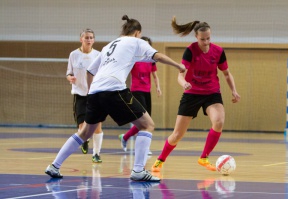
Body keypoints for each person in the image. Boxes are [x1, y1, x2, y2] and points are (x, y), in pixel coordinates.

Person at [45, 14, 185, 182]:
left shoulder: (109, 45)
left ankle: (54, 165)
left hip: (96, 91)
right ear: (137, 33)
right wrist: (178, 65)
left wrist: (91, 93)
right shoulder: (137, 42)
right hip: (114, 89)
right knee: (148, 125)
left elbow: (90, 71)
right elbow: (158, 56)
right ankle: (139, 170)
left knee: (84, 132)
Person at [151, 16, 241, 172]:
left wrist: (234, 90)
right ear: (196, 37)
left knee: (219, 121)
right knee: (177, 134)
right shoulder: (190, 51)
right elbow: (180, 74)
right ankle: (160, 160)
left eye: (208, 39)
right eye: (202, 39)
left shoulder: (218, 51)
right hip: (192, 93)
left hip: (212, 93)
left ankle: (204, 157)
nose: (206, 42)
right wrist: (184, 83)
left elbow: (226, 73)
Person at [118, 36, 162, 155]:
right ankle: (143, 149)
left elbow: (155, 75)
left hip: (147, 91)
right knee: (143, 121)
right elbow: (124, 71)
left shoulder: (151, 59)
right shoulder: (134, 59)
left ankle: (125, 137)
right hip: (136, 91)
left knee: (147, 121)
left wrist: (158, 87)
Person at [66, 28, 104, 163]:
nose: (89, 40)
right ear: (81, 39)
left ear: (94, 40)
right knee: (82, 127)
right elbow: (69, 73)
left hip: (95, 94)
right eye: (86, 37)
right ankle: (85, 140)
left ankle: (97, 153)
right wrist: (70, 77)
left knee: (97, 126)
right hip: (79, 94)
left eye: (91, 37)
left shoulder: (99, 55)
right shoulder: (73, 55)